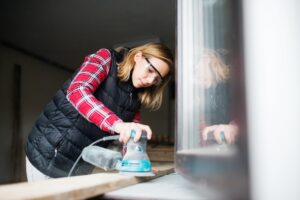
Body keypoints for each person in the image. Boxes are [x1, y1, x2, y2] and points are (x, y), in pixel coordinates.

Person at [25, 43, 174, 181]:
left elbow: (129, 138)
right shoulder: (106, 58)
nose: (150, 80)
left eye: (156, 79)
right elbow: (77, 91)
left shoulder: (135, 96)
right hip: (49, 153)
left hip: (81, 164)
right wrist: (118, 125)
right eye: (150, 70)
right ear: (138, 57)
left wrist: (138, 164)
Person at [195, 49, 238, 145]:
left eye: (201, 69)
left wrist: (233, 126)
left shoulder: (229, 87)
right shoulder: (205, 94)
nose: (198, 69)